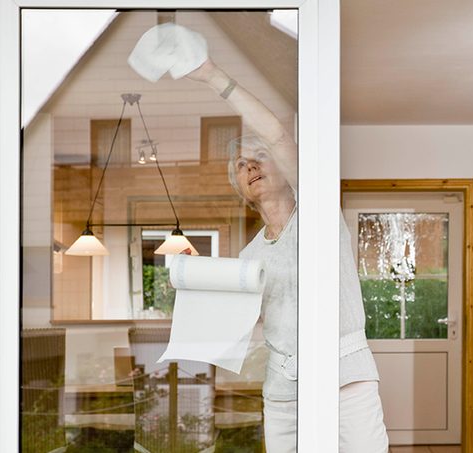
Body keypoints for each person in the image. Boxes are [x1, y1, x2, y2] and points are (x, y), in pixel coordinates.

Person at [133, 23, 388, 452]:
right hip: (285, 387)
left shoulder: (320, 214)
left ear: (287, 173)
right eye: (240, 164)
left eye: (259, 157)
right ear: (240, 187)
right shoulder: (250, 256)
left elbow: (277, 134)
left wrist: (212, 73)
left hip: (346, 377)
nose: (249, 165)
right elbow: (236, 322)